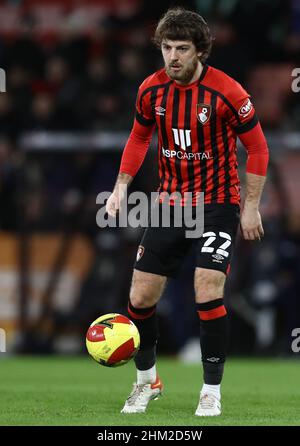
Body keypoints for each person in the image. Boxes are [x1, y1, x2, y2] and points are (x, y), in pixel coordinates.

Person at [106, 7, 269, 416]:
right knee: (140, 295)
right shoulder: (151, 90)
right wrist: (121, 186)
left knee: (207, 287)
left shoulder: (228, 93)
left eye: (182, 48)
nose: (172, 56)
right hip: (170, 203)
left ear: (201, 52)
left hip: (217, 203)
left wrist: (251, 207)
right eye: (166, 47)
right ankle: (147, 382)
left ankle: (210, 390)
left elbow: (259, 148)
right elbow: (139, 136)